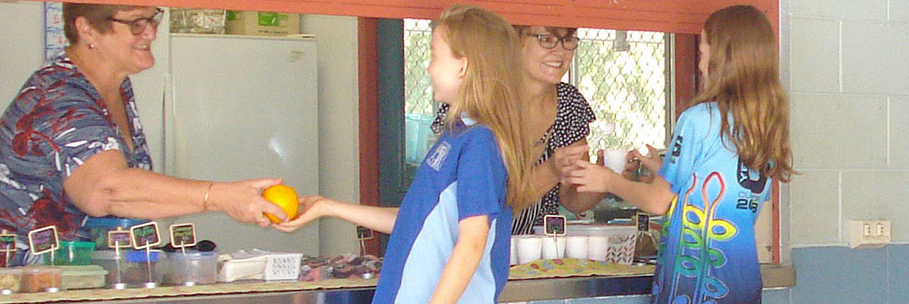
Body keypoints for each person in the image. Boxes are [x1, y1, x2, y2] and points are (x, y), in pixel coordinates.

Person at [0, 4, 288, 266]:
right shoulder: (59, 95)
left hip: (68, 280)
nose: (151, 32)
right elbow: (106, 190)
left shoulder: (115, 88)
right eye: (136, 22)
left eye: (152, 18)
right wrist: (220, 197)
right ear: (87, 29)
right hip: (8, 281)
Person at [275, 5, 531, 302]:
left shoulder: (480, 143)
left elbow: (472, 244)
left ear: (463, 66)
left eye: (435, 55)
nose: (429, 67)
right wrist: (327, 206)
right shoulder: (456, 135)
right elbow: (414, 219)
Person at [562, 5, 794, 303]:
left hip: (694, 287)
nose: (699, 65)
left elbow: (658, 202)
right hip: (743, 286)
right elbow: (728, 196)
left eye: (702, 53)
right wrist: (664, 169)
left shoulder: (698, 119)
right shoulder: (766, 125)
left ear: (722, 58)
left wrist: (607, 179)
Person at [432, 23, 604, 235]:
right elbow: (477, 200)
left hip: (537, 252)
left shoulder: (569, 102)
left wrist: (607, 178)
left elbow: (573, 200)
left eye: (568, 39)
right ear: (514, 42)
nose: (560, 51)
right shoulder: (474, 102)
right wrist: (551, 170)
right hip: (475, 246)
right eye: (546, 39)